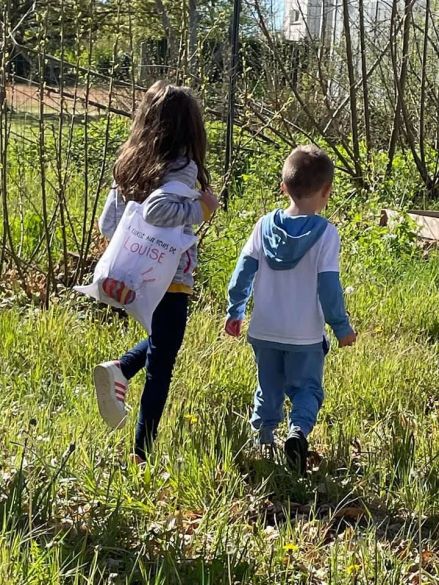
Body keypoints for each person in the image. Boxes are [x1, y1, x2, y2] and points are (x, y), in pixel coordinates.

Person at [95, 81, 219, 462]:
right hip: (171, 276)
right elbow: (157, 211)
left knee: (162, 342)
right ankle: (141, 453)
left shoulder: (132, 162)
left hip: (137, 275)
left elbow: (107, 225)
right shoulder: (182, 167)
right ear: (190, 129)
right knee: (162, 363)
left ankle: (121, 368)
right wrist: (201, 210)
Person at [225, 145, 356, 474]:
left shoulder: (263, 225)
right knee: (307, 388)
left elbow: (242, 273)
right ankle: (297, 432)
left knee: (267, 387)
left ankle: (264, 439)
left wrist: (235, 311)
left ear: (284, 187)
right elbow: (328, 288)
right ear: (327, 191)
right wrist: (341, 327)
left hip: (264, 331)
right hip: (304, 336)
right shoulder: (326, 235)